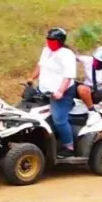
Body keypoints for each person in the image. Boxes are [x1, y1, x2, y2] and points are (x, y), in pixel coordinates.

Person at [29, 28, 77, 158]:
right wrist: (31, 78)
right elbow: (40, 66)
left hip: (62, 92)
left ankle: (69, 146)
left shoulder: (67, 54)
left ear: (60, 41)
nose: (49, 42)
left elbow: (68, 76)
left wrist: (60, 91)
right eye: (48, 39)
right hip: (43, 90)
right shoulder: (46, 51)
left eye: (52, 40)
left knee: (59, 119)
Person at [76, 46, 102, 111]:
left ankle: (92, 111)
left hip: (96, 94)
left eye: (98, 61)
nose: (95, 62)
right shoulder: (88, 60)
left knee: (83, 89)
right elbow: (75, 57)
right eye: (94, 59)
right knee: (78, 87)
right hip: (85, 89)